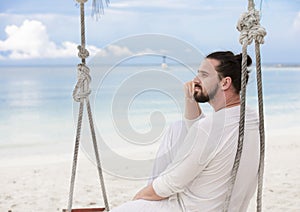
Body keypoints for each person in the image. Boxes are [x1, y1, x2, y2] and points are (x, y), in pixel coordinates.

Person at [110, 51, 260, 212]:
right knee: (177, 128)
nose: (195, 81)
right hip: (227, 207)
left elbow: (172, 181)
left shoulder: (208, 128)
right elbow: (204, 137)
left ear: (225, 83)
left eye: (204, 75)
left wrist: (139, 199)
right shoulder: (251, 118)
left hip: (186, 208)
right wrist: (190, 99)